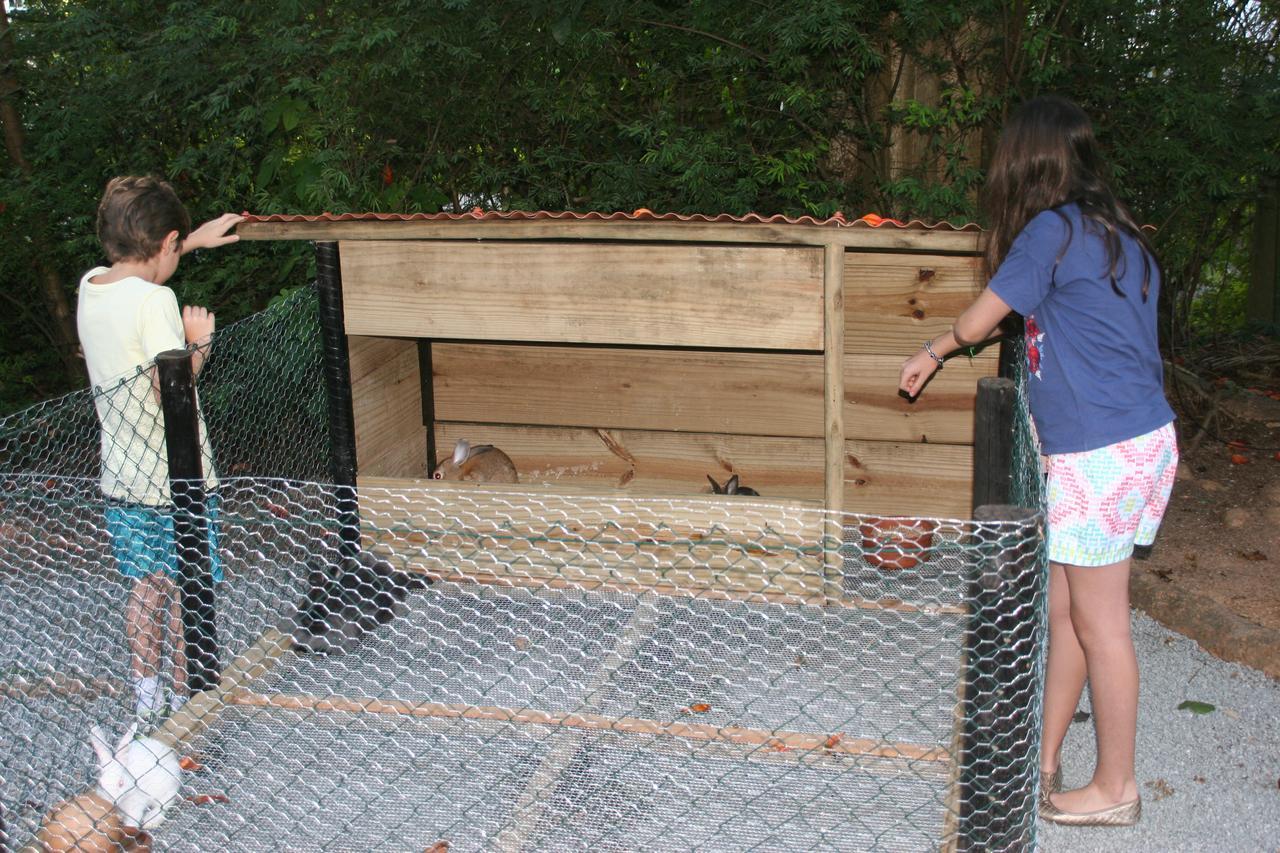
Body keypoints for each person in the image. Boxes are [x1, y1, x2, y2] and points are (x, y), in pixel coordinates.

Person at [899, 96, 1176, 828]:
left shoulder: (1051, 233)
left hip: (1102, 453)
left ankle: (1117, 784)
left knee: (1101, 623)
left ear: (1026, 162)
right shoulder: (1119, 237)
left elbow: (978, 320)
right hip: (1140, 444)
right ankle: (1043, 757)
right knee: (1068, 607)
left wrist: (931, 352)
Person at [77, 175, 242, 724]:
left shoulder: (91, 286)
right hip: (179, 480)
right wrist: (199, 344)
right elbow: (169, 387)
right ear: (165, 242)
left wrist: (189, 241)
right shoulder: (159, 301)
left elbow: (138, 269)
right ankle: (188, 701)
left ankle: (147, 701)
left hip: (123, 479)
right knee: (187, 591)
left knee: (147, 590)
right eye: (176, 246)